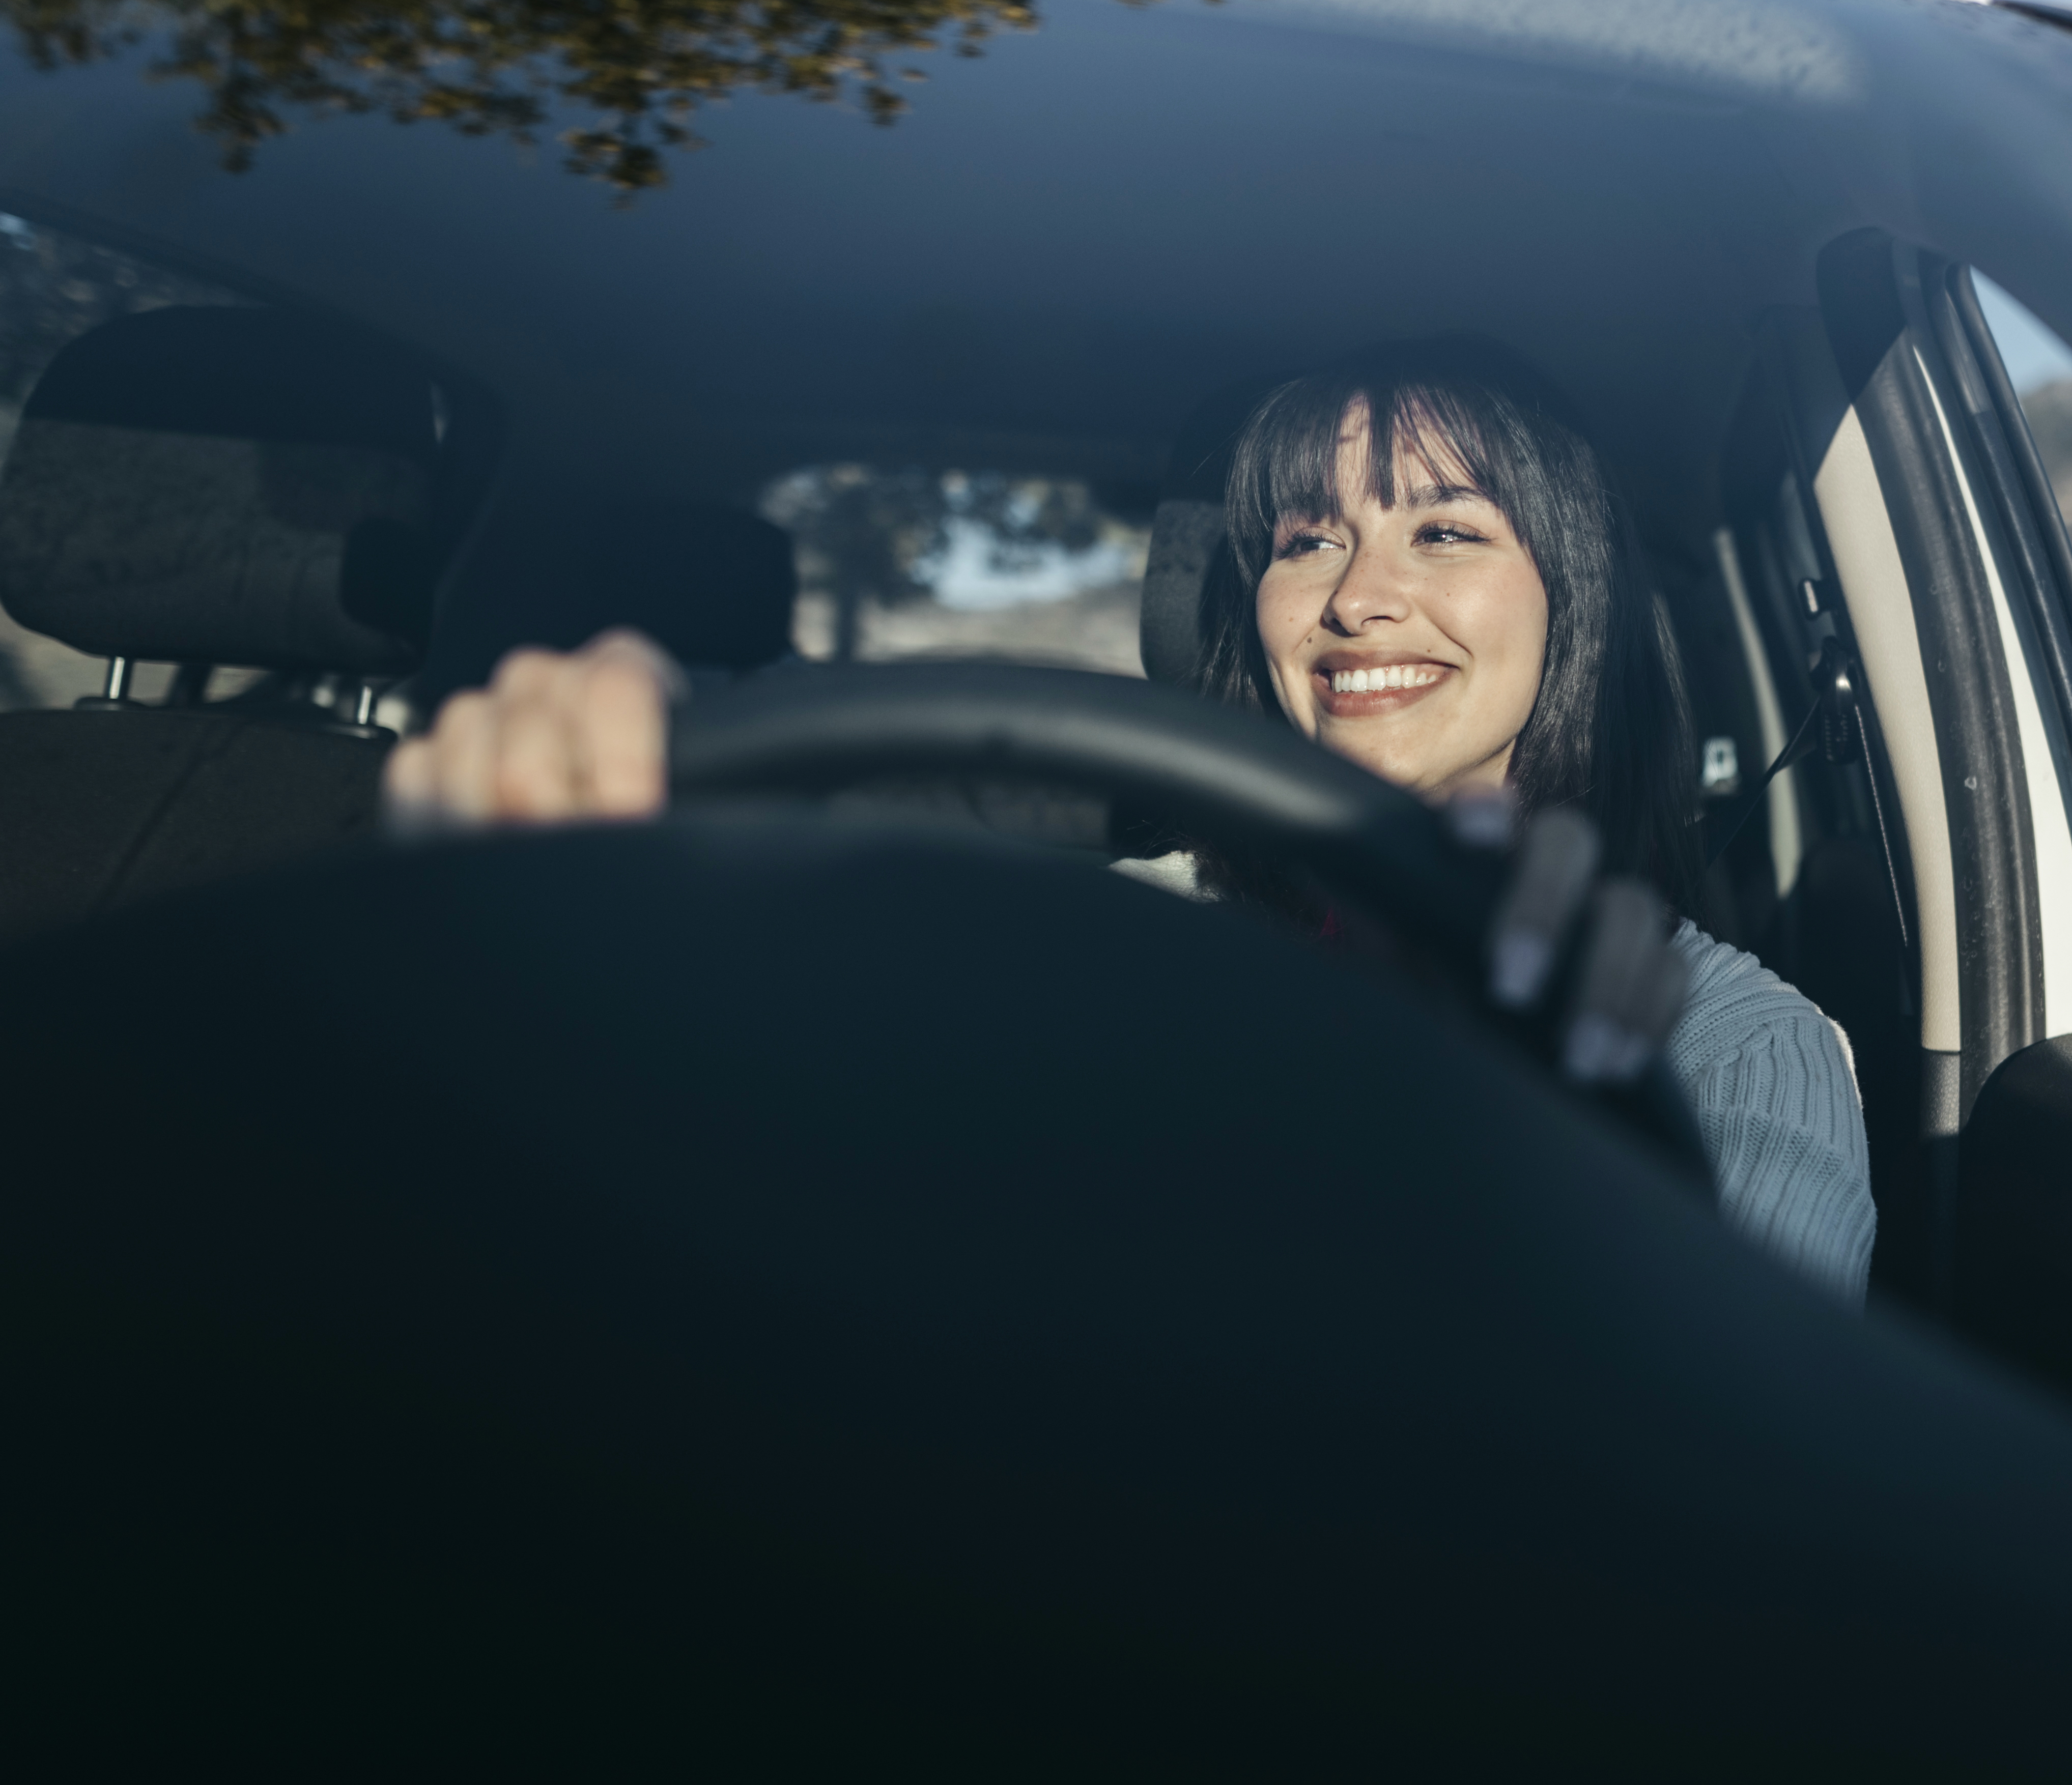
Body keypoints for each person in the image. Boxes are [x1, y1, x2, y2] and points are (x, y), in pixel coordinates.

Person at [383, 341, 1877, 1300]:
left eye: (1444, 530)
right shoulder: (1102, 935)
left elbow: (1726, 1517)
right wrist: (600, 878)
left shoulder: (1739, 1054)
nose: (1358, 596)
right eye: (1308, 542)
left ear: (1577, 609)